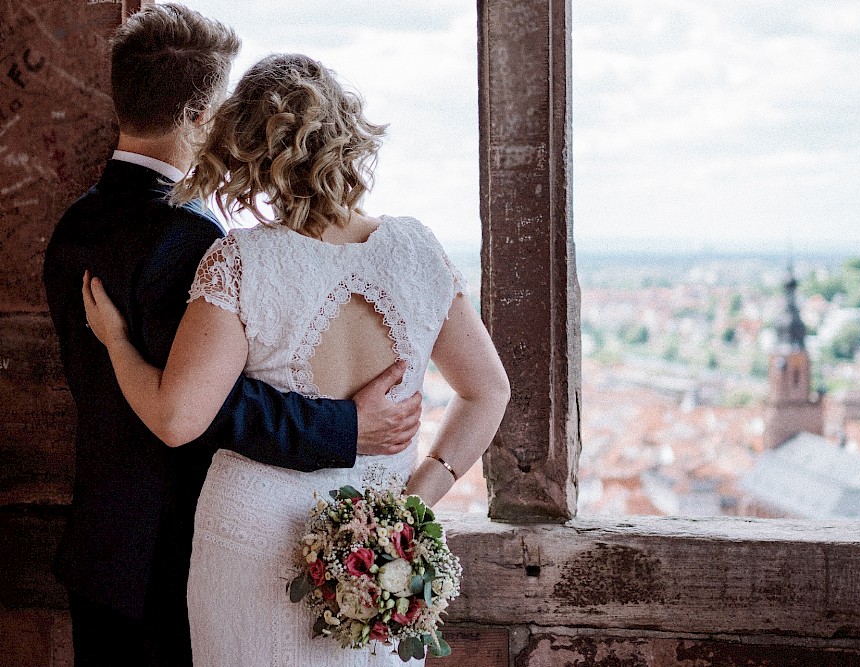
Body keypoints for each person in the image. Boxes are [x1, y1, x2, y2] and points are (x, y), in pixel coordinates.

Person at [82, 52, 510, 666]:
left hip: (252, 543)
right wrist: (414, 502)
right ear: (346, 137)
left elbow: (177, 419)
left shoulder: (243, 262)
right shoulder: (416, 249)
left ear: (246, 151)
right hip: (381, 554)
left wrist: (117, 344)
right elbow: (488, 391)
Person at [43, 7, 420, 666]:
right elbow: (207, 405)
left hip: (100, 549)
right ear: (196, 117)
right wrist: (346, 427)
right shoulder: (186, 236)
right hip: (168, 559)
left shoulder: (73, 226)